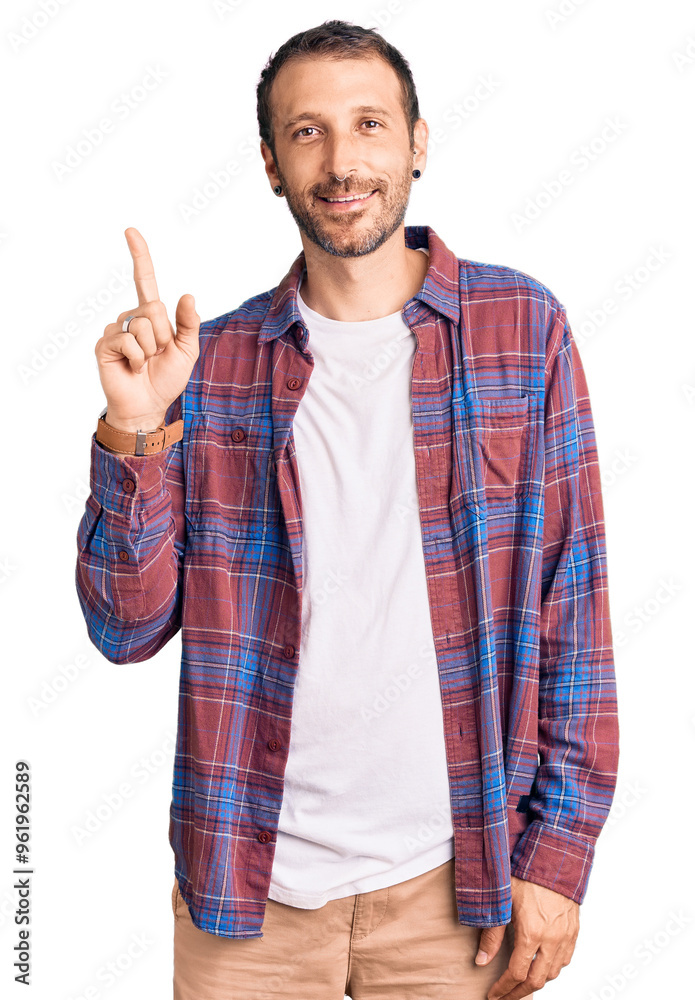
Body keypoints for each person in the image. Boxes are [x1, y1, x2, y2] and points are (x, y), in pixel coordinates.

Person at [75, 18, 620, 1000]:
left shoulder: (519, 328)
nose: (341, 160)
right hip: (245, 898)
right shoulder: (212, 365)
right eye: (307, 131)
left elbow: (570, 604)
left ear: (416, 143)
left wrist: (558, 854)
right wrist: (137, 429)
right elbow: (126, 628)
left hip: (458, 891)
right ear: (270, 164)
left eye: (368, 123)